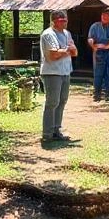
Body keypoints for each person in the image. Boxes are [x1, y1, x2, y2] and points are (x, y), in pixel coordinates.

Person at [39, 10, 77, 142]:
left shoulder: (67, 33)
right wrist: (67, 50)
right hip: (52, 72)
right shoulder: (48, 34)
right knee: (52, 102)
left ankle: (56, 130)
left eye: (66, 19)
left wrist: (64, 50)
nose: (65, 22)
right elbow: (53, 55)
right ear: (54, 21)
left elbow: (74, 52)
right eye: (62, 20)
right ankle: (47, 134)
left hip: (66, 71)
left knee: (62, 101)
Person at [87, 7, 109, 101]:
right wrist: (93, 45)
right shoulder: (95, 26)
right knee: (98, 74)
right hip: (99, 53)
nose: (105, 17)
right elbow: (90, 39)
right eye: (104, 15)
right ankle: (97, 95)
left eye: (107, 15)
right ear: (101, 16)